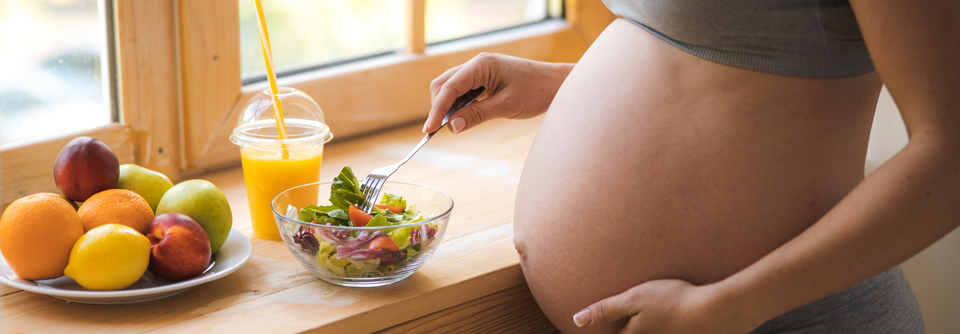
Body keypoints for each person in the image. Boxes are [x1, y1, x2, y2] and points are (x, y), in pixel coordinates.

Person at [421, 0, 958, 333]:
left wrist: (727, 308)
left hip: (785, 318)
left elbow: (951, 158)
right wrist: (564, 85)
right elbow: (731, 57)